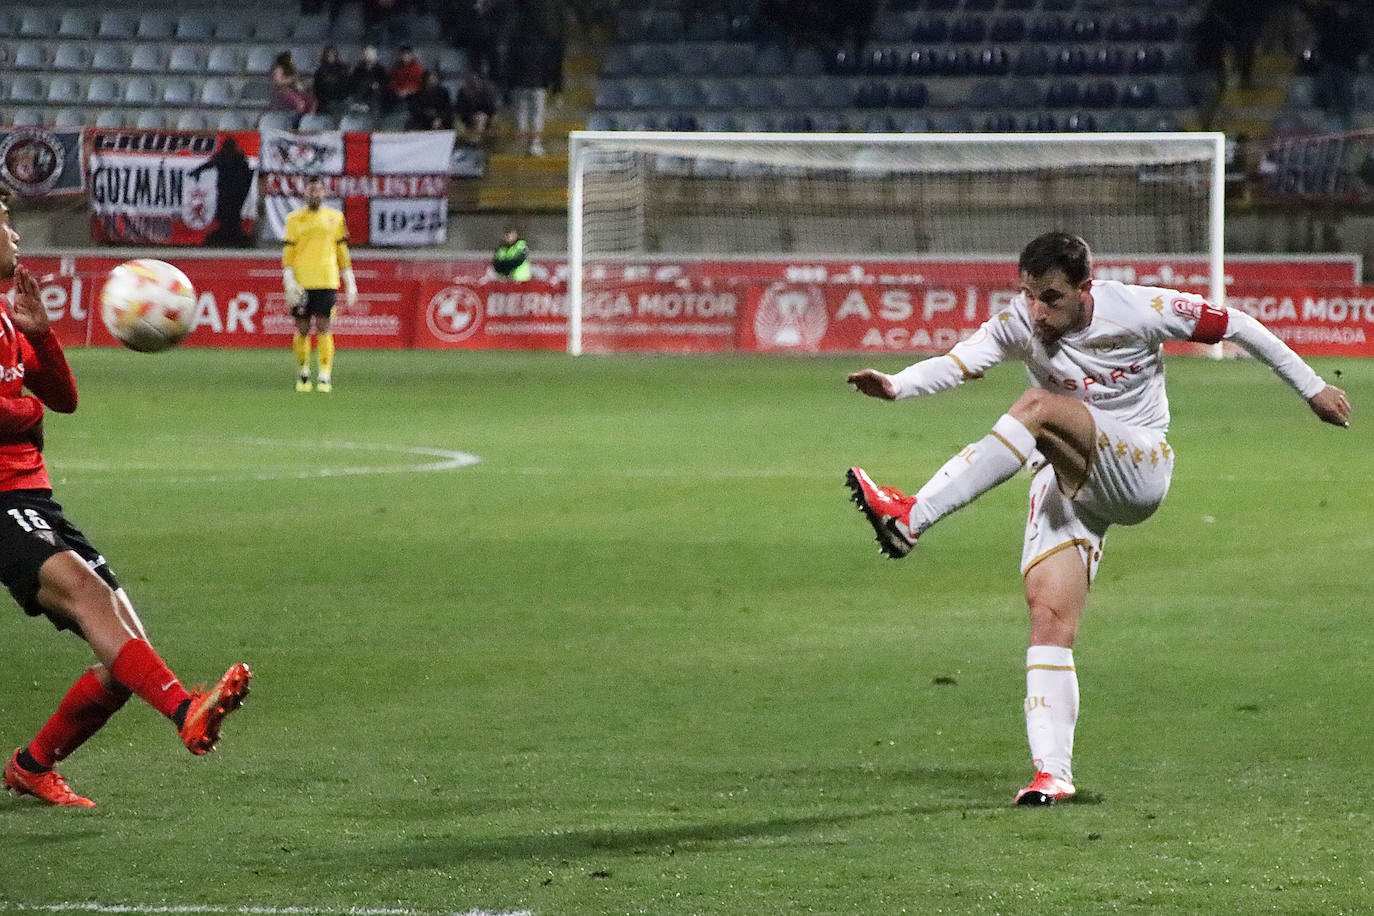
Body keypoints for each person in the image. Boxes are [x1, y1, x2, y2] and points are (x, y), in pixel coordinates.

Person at [844, 231, 1350, 806]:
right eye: (1029, 295)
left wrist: (1312, 388)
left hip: (1139, 466)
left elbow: (1238, 325)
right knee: (1049, 617)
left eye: (1051, 298)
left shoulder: (1138, 308)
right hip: (1072, 479)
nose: (1036, 311)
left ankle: (912, 516)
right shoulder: (1021, 321)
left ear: (1086, 288)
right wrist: (896, 386)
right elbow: (960, 363)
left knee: (1033, 409)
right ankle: (1052, 773)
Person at [0, 188, 251, 808]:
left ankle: (32, 765)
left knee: (121, 654)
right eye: (4, 224)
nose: (16, 237)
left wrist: (43, 336)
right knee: (90, 599)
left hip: (32, 497)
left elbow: (63, 398)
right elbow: (18, 413)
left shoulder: (6, 320)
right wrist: (24, 412)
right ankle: (187, 711)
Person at [283, 175, 356, 393]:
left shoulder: (335, 218)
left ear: (324, 193)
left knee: (324, 327)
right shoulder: (294, 219)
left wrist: (350, 281)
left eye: (318, 190)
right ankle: (303, 372)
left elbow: (342, 252)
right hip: (302, 282)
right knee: (303, 328)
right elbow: (289, 251)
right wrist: (288, 279)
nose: (314, 194)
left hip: (326, 280)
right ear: (305, 192)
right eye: (311, 190)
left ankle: (324, 375)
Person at [188, 137, 255, 247]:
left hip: (231, 192)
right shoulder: (237, 157)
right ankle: (228, 234)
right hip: (232, 192)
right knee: (228, 213)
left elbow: (209, 164)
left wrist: (196, 172)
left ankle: (231, 235)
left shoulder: (229, 156)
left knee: (230, 213)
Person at [454, 69, 497, 144]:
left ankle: (477, 139)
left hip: (484, 116)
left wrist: (482, 114)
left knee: (481, 118)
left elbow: (491, 108)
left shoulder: (485, 92)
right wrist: (471, 115)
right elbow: (460, 108)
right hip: (467, 116)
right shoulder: (462, 93)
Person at [269, 51, 317, 116]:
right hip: (283, 91)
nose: (292, 60)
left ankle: (308, 119)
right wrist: (292, 80)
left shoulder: (291, 69)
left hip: (294, 90)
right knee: (300, 102)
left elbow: (298, 81)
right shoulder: (279, 69)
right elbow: (279, 81)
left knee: (311, 100)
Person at [348, 45, 391, 115]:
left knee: (375, 92)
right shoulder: (359, 68)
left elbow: (385, 82)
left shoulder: (380, 69)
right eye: (368, 55)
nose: (370, 58)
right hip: (361, 91)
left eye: (372, 56)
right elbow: (353, 81)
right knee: (365, 84)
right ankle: (358, 104)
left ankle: (374, 111)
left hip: (376, 92)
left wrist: (378, 85)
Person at [313, 45, 353, 117]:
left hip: (340, 100)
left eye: (332, 54)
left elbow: (347, 86)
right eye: (328, 55)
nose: (331, 57)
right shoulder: (320, 71)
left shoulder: (342, 69)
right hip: (326, 102)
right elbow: (317, 90)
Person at [387, 46, 426, 111]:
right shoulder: (396, 68)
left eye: (407, 54)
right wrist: (398, 91)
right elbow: (392, 82)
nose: (405, 57)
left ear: (411, 55)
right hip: (398, 92)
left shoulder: (417, 68)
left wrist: (409, 91)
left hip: (413, 93)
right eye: (403, 55)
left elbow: (420, 83)